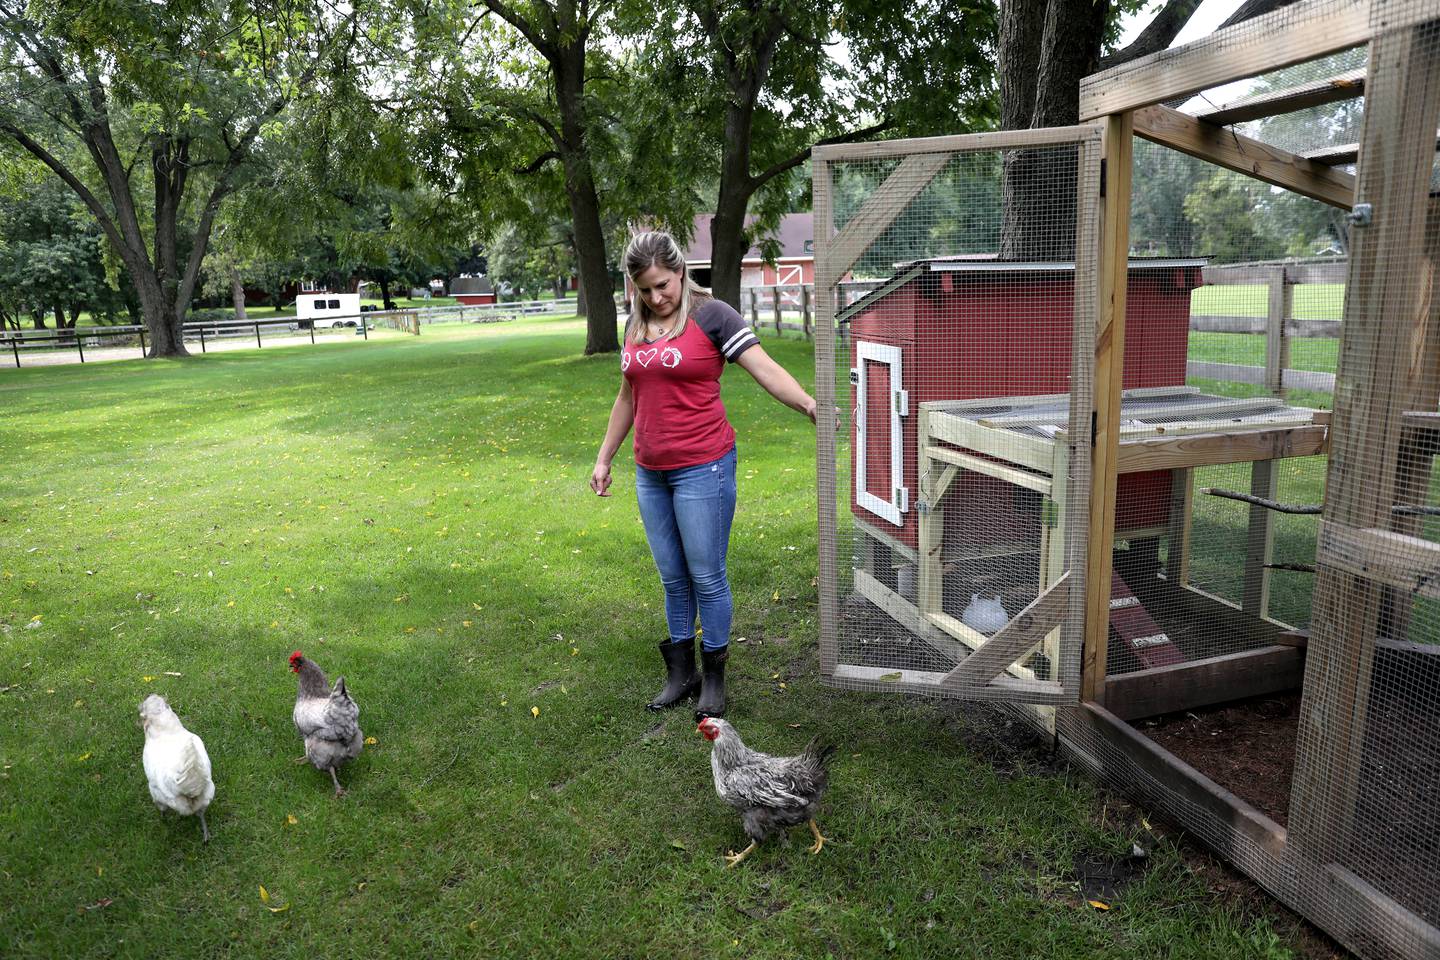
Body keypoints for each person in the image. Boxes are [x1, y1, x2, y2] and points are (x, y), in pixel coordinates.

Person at [591, 231, 816, 721]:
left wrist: (809, 405)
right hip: (651, 472)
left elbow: (764, 367)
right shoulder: (636, 324)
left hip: (703, 467)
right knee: (673, 578)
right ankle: (681, 672)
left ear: (681, 272)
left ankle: (713, 676)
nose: (655, 297)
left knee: (707, 575)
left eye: (663, 285)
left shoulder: (713, 314)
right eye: (644, 289)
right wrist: (606, 457)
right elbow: (628, 396)